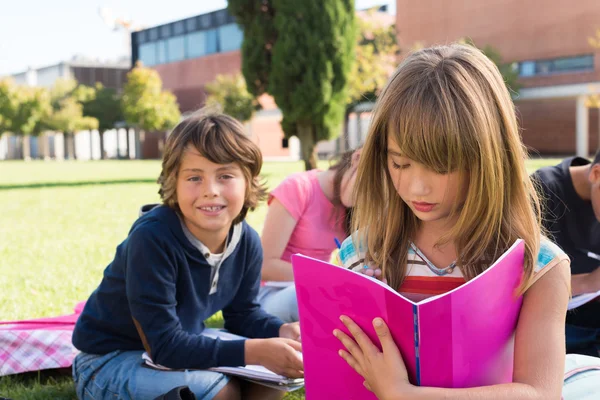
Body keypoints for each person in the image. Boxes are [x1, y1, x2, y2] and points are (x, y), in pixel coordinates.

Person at [333, 44, 575, 399]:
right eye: (400, 163)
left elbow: (540, 393)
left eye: (441, 166)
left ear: (490, 158)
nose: (417, 187)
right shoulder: (363, 255)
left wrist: (404, 395)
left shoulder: (537, 267)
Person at [71, 112, 303, 400]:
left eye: (226, 176)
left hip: (175, 349)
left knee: (271, 382)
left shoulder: (247, 242)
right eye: (194, 177)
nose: (210, 191)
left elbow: (243, 314)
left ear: (248, 181)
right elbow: (165, 346)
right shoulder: (152, 239)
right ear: (174, 182)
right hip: (109, 360)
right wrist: (255, 351)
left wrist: (280, 331)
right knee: (221, 392)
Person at [257, 147, 361, 322]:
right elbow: (264, 266)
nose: (367, 196)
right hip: (271, 293)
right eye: (371, 184)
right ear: (358, 158)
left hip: (318, 290)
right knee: (310, 300)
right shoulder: (298, 188)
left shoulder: (352, 208)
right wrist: (326, 278)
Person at [533, 151, 600, 356]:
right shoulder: (539, 194)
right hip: (549, 320)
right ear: (596, 174)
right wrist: (589, 282)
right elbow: (511, 286)